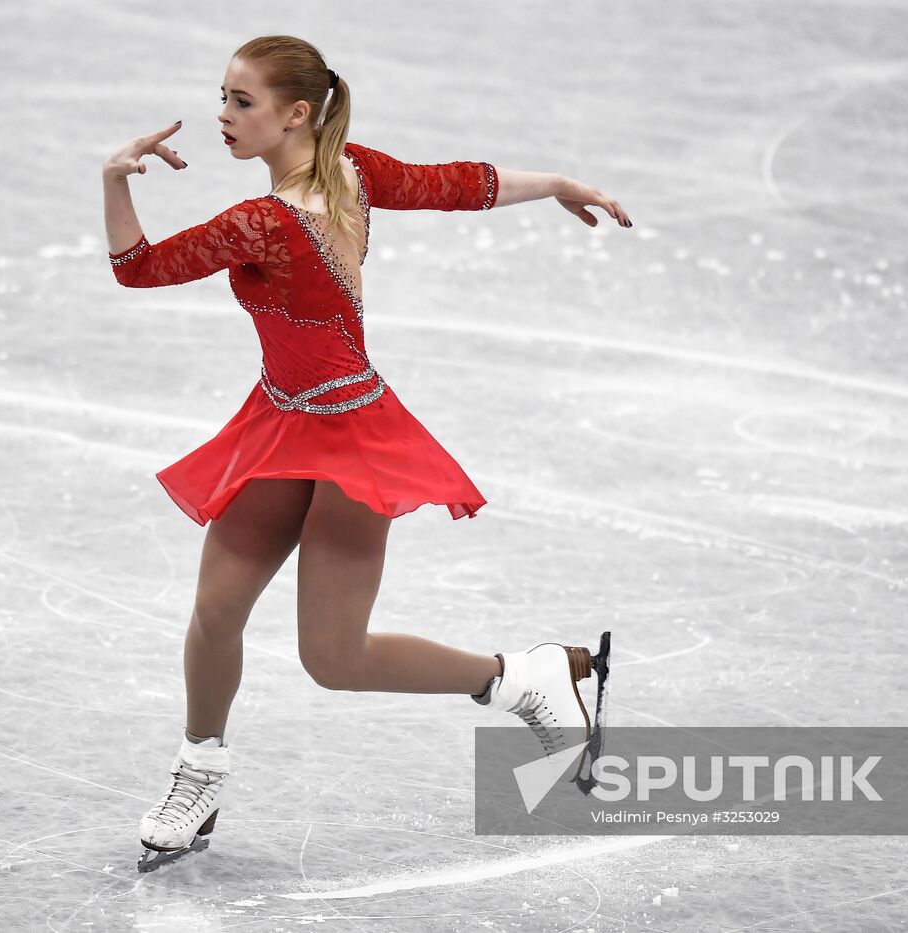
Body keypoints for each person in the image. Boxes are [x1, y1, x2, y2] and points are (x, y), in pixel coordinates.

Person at [103, 35, 626, 872]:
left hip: (353, 438)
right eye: (224, 97)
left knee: (334, 658)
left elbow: (140, 268)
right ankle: (199, 768)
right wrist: (555, 183)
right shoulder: (353, 171)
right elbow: (463, 186)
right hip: (282, 422)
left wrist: (111, 181)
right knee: (215, 609)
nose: (222, 116)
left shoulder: (267, 221)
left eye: (243, 102)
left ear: (296, 114)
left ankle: (521, 676)